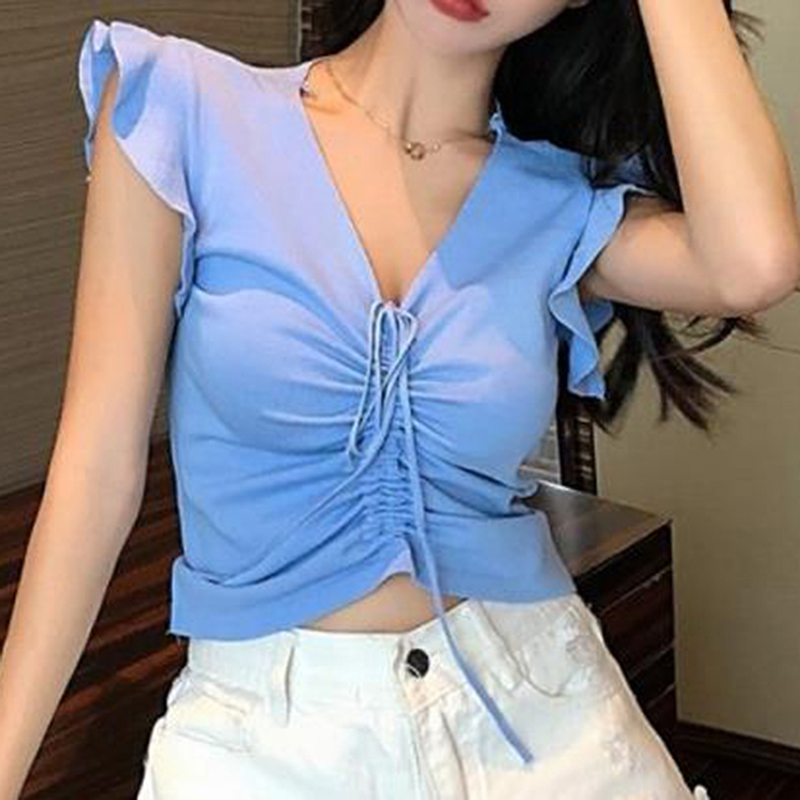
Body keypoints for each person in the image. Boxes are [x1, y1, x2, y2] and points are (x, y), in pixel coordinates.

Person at [1, 0, 797, 796]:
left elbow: (753, 264)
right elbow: (96, 475)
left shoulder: (557, 201)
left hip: (541, 717)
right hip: (259, 739)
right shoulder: (186, 106)